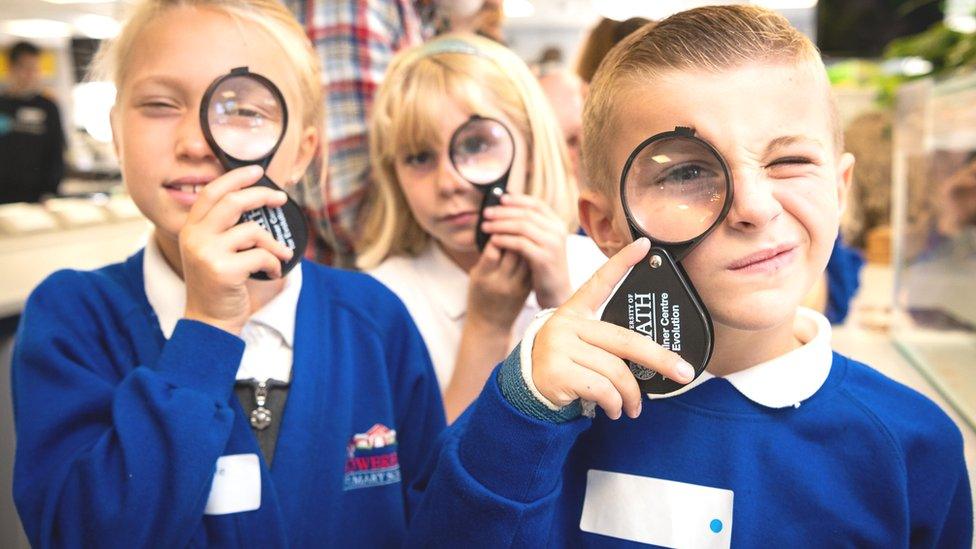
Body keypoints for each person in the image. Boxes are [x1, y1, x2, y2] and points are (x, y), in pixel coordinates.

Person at [405, 7, 972, 546]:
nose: (753, 205)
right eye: (688, 172)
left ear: (840, 189)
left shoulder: (913, 447)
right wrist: (522, 413)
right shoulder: (540, 413)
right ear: (605, 225)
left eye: (788, 162)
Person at [11, 1, 444, 546]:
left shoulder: (374, 319)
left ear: (302, 153)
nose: (195, 143)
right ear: (116, 133)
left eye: (244, 111)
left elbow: (435, 518)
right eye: (160, 104)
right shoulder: (72, 317)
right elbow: (80, 533)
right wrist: (207, 328)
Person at [358, 33, 605, 422]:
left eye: (475, 146)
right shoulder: (377, 302)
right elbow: (434, 476)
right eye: (419, 157)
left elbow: (617, 445)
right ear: (394, 175)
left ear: (528, 145)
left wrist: (561, 302)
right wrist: (487, 326)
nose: (448, 182)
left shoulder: (599, 267)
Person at [0, 41, 66, 204]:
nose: (31, 74)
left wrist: (51, 191)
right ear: (12, 68)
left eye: (35, 68)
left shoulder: (48, 107)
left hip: (37, 197)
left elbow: (57, 150)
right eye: (26, 68)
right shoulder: (2, 105)